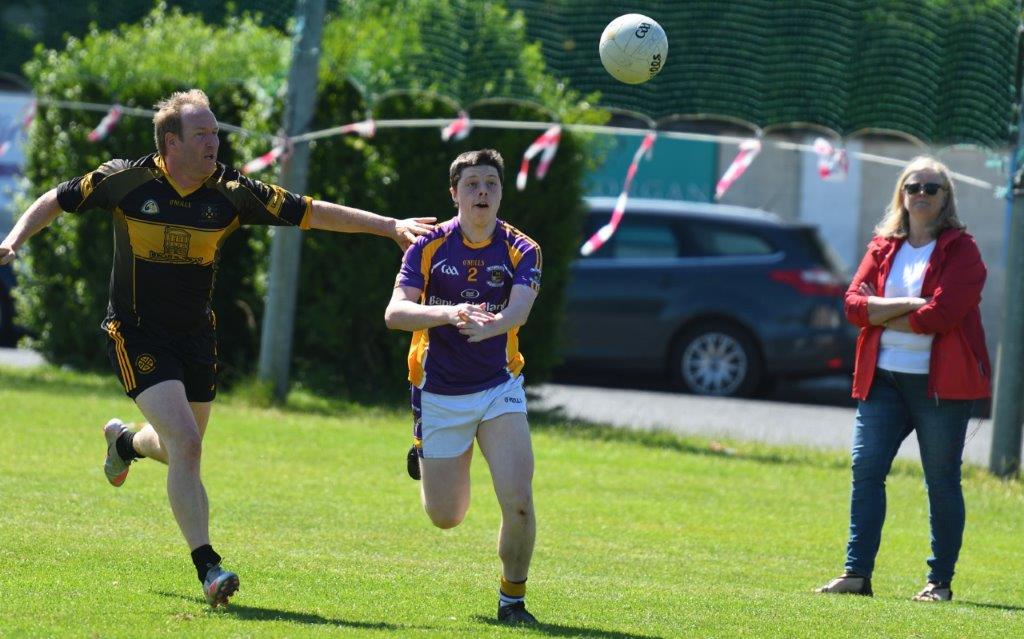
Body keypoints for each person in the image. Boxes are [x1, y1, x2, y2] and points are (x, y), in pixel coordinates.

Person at [0, 89, 434, 607]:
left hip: (196, 338)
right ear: (170, 142)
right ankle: (209, 567)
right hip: (136, 332)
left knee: (177, 445)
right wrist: (14, 239)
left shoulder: (231, 191)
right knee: (187, 443)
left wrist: (389, 227)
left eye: (216, 132)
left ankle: (123, 444)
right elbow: (55, 198)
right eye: (202, 134)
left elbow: (310, 212)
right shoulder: (125, 180)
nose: (215, 143)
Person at [816, 156, 990, 602]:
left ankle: (939, 582)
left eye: (932, 188)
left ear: (946, 197)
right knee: (866, 470)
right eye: (914, 187)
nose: (922, 195)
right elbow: (854, 305)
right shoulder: (882, 246)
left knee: (941, 480)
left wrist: (883, 311)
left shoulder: (962, 249)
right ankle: (856, 574)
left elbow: (944, 314)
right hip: (883, 380)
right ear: (902, 194)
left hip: (939, 387)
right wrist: (912, 305)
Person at [384, 149, 543, 625]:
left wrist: (492, 326)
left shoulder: (522, 249)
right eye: (472, 184)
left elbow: (517, 312)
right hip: (439, 391)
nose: (482, 193)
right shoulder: (428, 246)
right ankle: (428, 447)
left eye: (491, 184)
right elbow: (395, 314)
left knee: (517, 500)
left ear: (500, 193)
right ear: (454, 194)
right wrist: (449, 314)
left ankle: (512, 601)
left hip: (500, 386)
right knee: (446, 516)